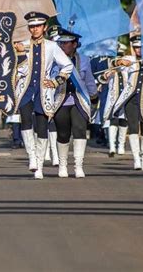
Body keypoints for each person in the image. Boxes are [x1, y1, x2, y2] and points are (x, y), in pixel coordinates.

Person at [14, 12, 73, 179]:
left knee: (42, 127)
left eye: (38, 26)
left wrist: (56, 82)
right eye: (32, 26)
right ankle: (31, 156)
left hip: (44, 91)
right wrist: (19, 53)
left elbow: (67, 66)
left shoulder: (52, 47)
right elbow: (16, 69)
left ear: (44, 27)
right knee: (25, 119)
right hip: (26, 90)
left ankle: (39, 165)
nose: (35, 29)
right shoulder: (22, 45)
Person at [50, 27, 98, 178]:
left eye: (66, 43)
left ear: (75, 44)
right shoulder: (54, 60)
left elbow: (89, 80)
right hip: (61, 100)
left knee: (79, 130)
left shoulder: (84, 60)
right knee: (63, 133)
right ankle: (62, 165)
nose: (63, 46)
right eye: (61, 43)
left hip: (79, 100)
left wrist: (94, 96)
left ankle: (78, 166)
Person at [113, 35, 143, 171]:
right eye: (136, 47)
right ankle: (136, 159)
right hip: (130, 98)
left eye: (141, 47)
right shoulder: (129, 60)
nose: (139, 50)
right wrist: (120, 62)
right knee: (133, 127)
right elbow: (116, 64)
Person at [102, 42, 129, 158]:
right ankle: (112, 146)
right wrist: (108, 74)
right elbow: (103, 78)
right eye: (117, 55)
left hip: (125, 95)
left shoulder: (129, 64)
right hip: (113, 96)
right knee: (113, 119)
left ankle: (121, 145)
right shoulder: (110, 63)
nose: (119, 57)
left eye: (120, 55)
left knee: (124, 120)